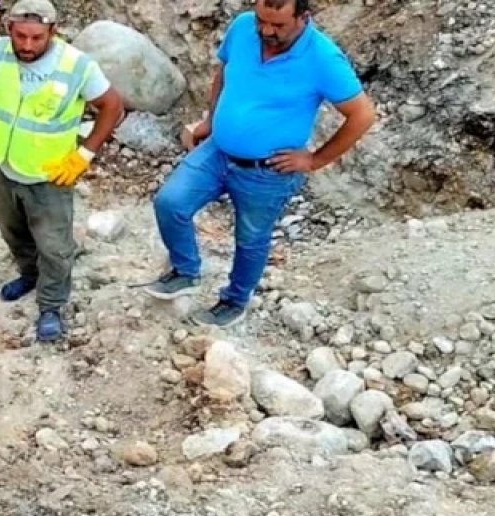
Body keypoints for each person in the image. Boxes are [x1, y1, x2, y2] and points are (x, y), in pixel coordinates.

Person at [143, 0, 377, 327]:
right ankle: (185, 271)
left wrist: (314, 159)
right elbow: (224, 71)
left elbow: (363, 115)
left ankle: (234, 300)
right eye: (261, 21)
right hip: (217, 150)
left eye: (278, 25)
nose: (266, 31)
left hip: (267, 171)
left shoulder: (323, 58)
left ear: (303, 17)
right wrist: (210, 119)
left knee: (251, 239)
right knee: (170, 202)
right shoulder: (242, 27)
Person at [0, 0, 125, 342]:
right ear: (9, 29)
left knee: (54, 246)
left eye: (37, 37)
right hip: (6, 165)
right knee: (14, 232)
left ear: (53, 31)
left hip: (50, 175)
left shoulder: (75, 65)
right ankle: (29, 274)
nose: (27, 45)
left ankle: (51, 305)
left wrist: (85, 153)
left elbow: (113, 105)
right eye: (20, 36)